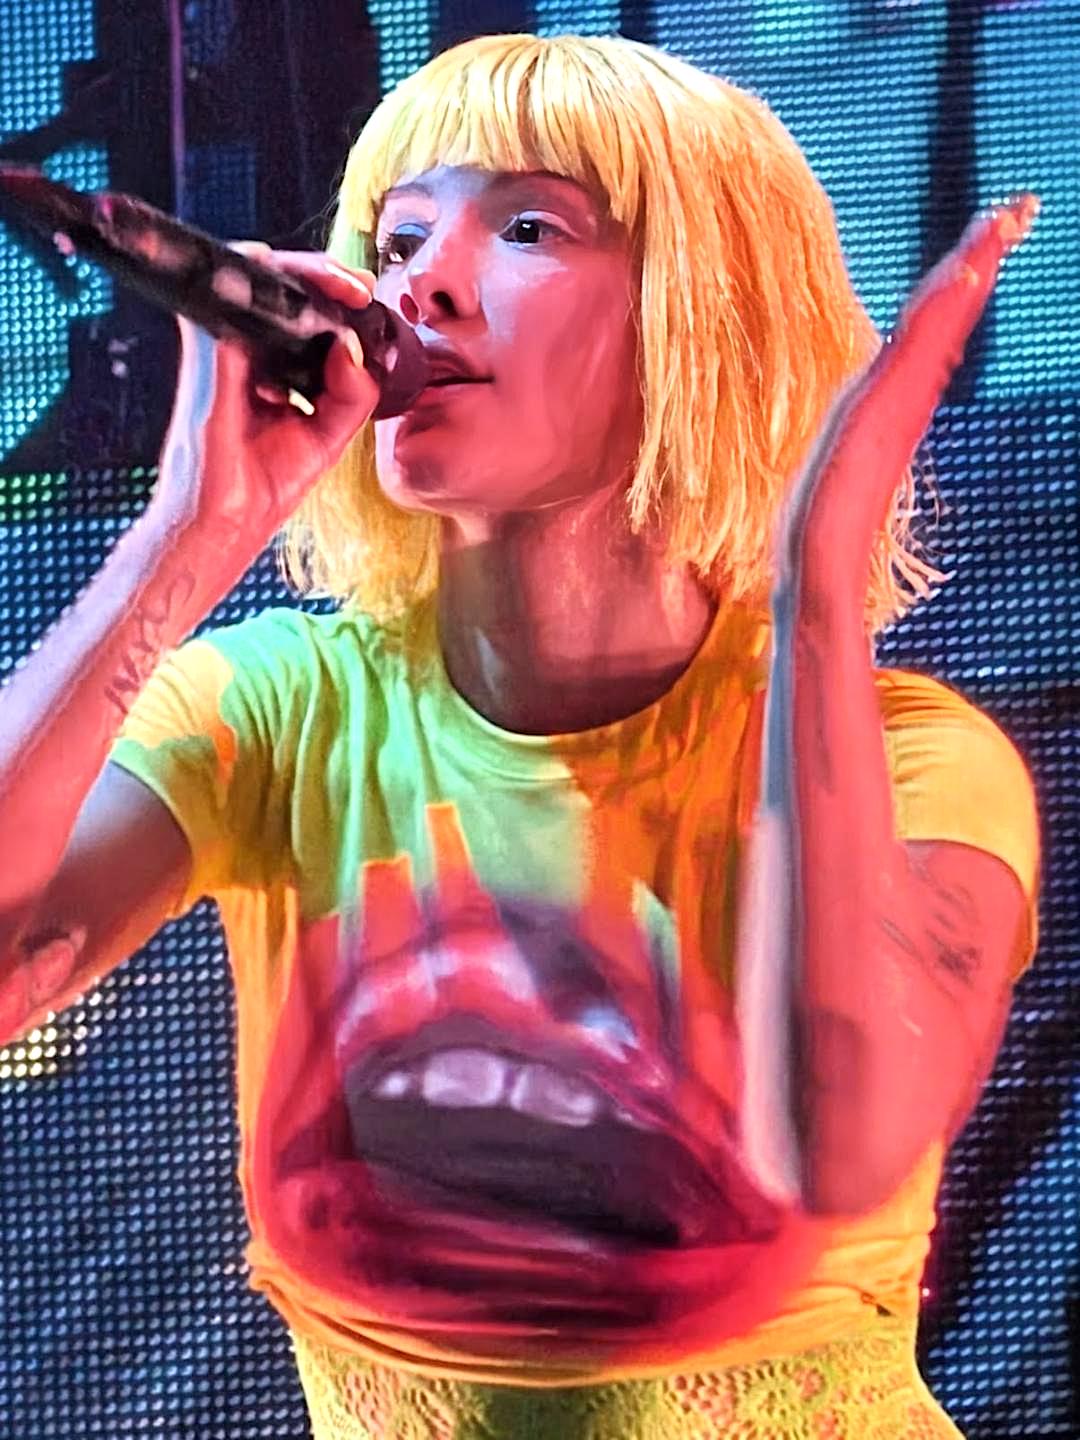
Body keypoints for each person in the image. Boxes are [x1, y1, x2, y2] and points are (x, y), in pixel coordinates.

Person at [0, 32, 1040, 1440]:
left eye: (530, 227)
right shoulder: (281, 711)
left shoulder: (923, 762)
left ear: (702, 316)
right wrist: (189, 534)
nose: (417, 284)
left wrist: (816, 594)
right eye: (397, 238)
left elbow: (840, 1142)